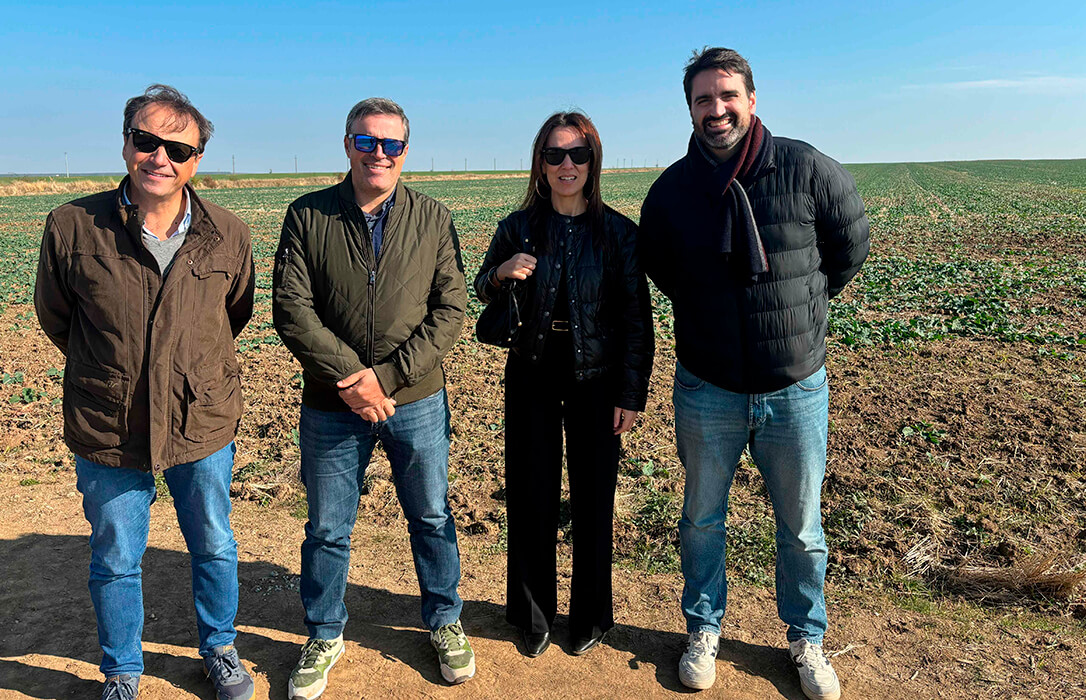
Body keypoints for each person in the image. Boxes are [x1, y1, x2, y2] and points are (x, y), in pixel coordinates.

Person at [639, 48, 870, 699]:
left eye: (727, 96)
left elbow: (850, 243)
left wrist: (804, 308)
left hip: (793, 388)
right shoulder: (673, 192)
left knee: (800, 526)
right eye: (703, 101)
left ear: (752, 98)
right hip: (707, 388)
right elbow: (661, 268)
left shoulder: (804, 167)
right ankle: (703, 628)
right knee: (701, 520)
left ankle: (806, 638)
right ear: (689, 108)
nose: (716, 111)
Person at [34, 84, 256, 700]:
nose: (161, 157)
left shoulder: (228, 234)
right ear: (127, 142)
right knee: (115, 555)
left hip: (200, 420)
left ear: (197, 159)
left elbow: (232, 315)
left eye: (178, 148)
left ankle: (219, 647)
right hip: (109, 424)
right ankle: (123, 672)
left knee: (213, 541)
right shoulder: (73, 226)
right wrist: (114, 373)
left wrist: (186, 373)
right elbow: (58, 318)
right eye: (146, 140)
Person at [273, 97, 473, 697]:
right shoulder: (307, 216)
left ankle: (444, 619)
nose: (378, 153)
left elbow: (450, 309)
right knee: (328, 526)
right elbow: (292, 309)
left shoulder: (433, 217)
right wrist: (352, 378)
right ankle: (325, 631)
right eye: (366, 141)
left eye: (390, 144)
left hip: (416, 399)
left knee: (431, 515)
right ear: (347, 146)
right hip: (332, 404)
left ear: (405, 152)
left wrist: (385, 379)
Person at [474, 112, 654, 658]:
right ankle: (532, 614)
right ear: (541, 163)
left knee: (594, 499)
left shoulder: (618, 232)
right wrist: (503, 273)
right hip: (531, 372)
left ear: (593, 161)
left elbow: (636, 320)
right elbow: (481, 289)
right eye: (555, 155)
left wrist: (631, 393)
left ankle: (592, 615)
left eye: (578, 154)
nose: (567, 165)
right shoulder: (518, 226)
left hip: (595, 379)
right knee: (531, 495)